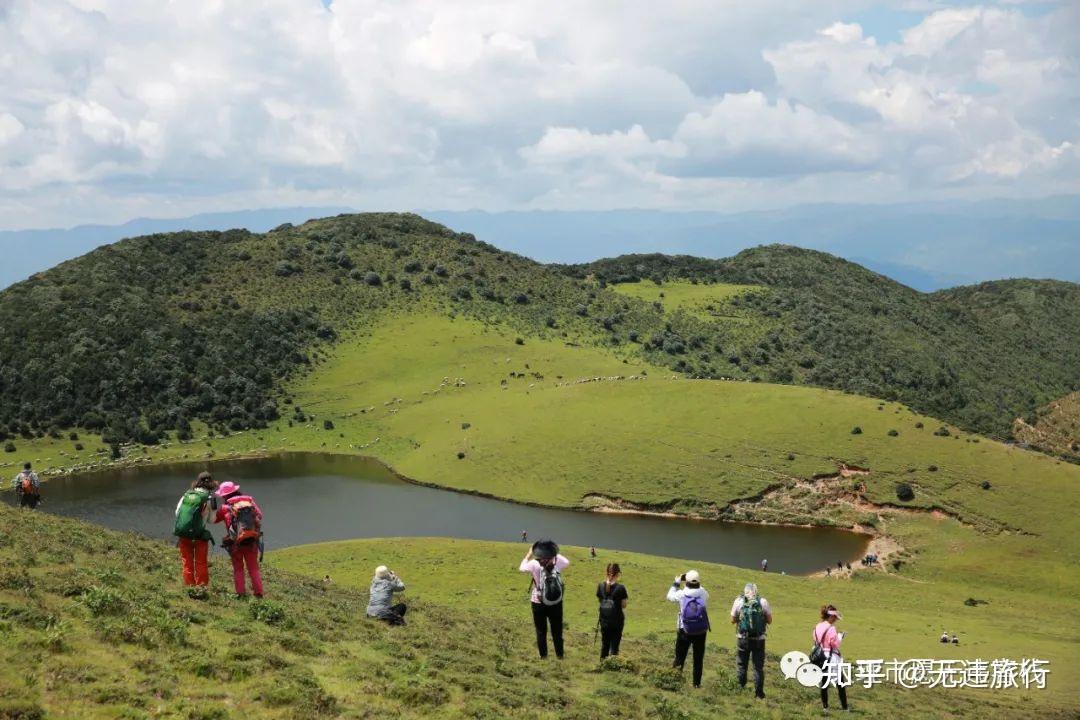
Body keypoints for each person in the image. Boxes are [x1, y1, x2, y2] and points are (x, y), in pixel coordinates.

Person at [519, 539, 570, 659]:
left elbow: (521, 568)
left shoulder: (534, 564)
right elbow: (567, 562)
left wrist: (528, 554)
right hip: (556, 601)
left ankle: (544, 657)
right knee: (557, 631)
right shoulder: (557, 561)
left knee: (541, 631)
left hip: (538, 601)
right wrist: (554, 554)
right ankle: (560, 656)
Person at [213, 481, 264, 598]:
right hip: (251, 540)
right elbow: (260, 516)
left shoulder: (225, 508)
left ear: (224, 496)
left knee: (238, 569)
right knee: (253, 568)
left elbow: (214, 520)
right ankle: (259, 593)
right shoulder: (249, 502)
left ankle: (240, 593)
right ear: (236, 490)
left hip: (235, 544)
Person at [173, 471, 217, 589]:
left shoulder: (186, 495)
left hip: (184, 536)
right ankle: (201, 587)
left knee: (187, 562)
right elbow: (212, 521)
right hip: (199, 536)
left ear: (197, 482)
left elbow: (177, 512)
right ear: (211, 483)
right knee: (201, 563)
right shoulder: (209, 499)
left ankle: (190, 587)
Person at [667, 569, 710, 688]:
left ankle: (674, 680)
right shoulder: (703, 593)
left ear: (686, 582)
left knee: (680, 656)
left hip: (684, 629)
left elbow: (669, 596)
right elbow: (705, 594)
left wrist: (676, 583)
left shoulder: (682, 594)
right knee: (698, 658)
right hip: (700, 630)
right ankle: (696, 684)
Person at [731, 582, 772, 699]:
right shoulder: (762, 602)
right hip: (759, 639)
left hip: (742, 638)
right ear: (756, 591)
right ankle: (759, 694)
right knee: (758, 667)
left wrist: (741, 619)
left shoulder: (739, 601)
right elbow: (770, 620)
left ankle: (740, 690)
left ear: (745, 591)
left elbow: (732, 620)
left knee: (741, 665)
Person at [814, 605, 848, 711]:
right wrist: (840, 637)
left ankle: (825, 707)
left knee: (824, 682)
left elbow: (816, 640)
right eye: (835, 618)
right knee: (840, 683)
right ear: (831, 617)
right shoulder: (831, 628)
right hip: (831, 657)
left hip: (820, 656)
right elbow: (835, 644)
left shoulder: (817, 626)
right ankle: (845, 708)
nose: (835, 620)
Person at [596, 563, 628, 659]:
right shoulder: (621, 588)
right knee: (614, 645)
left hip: (604, 620)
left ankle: (602, 663)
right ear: (618, 574)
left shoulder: (600, 586)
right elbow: (624, 605)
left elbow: (600, 600)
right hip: (617, 621)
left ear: (606, 573)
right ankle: (612, 665)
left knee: (605, 644)